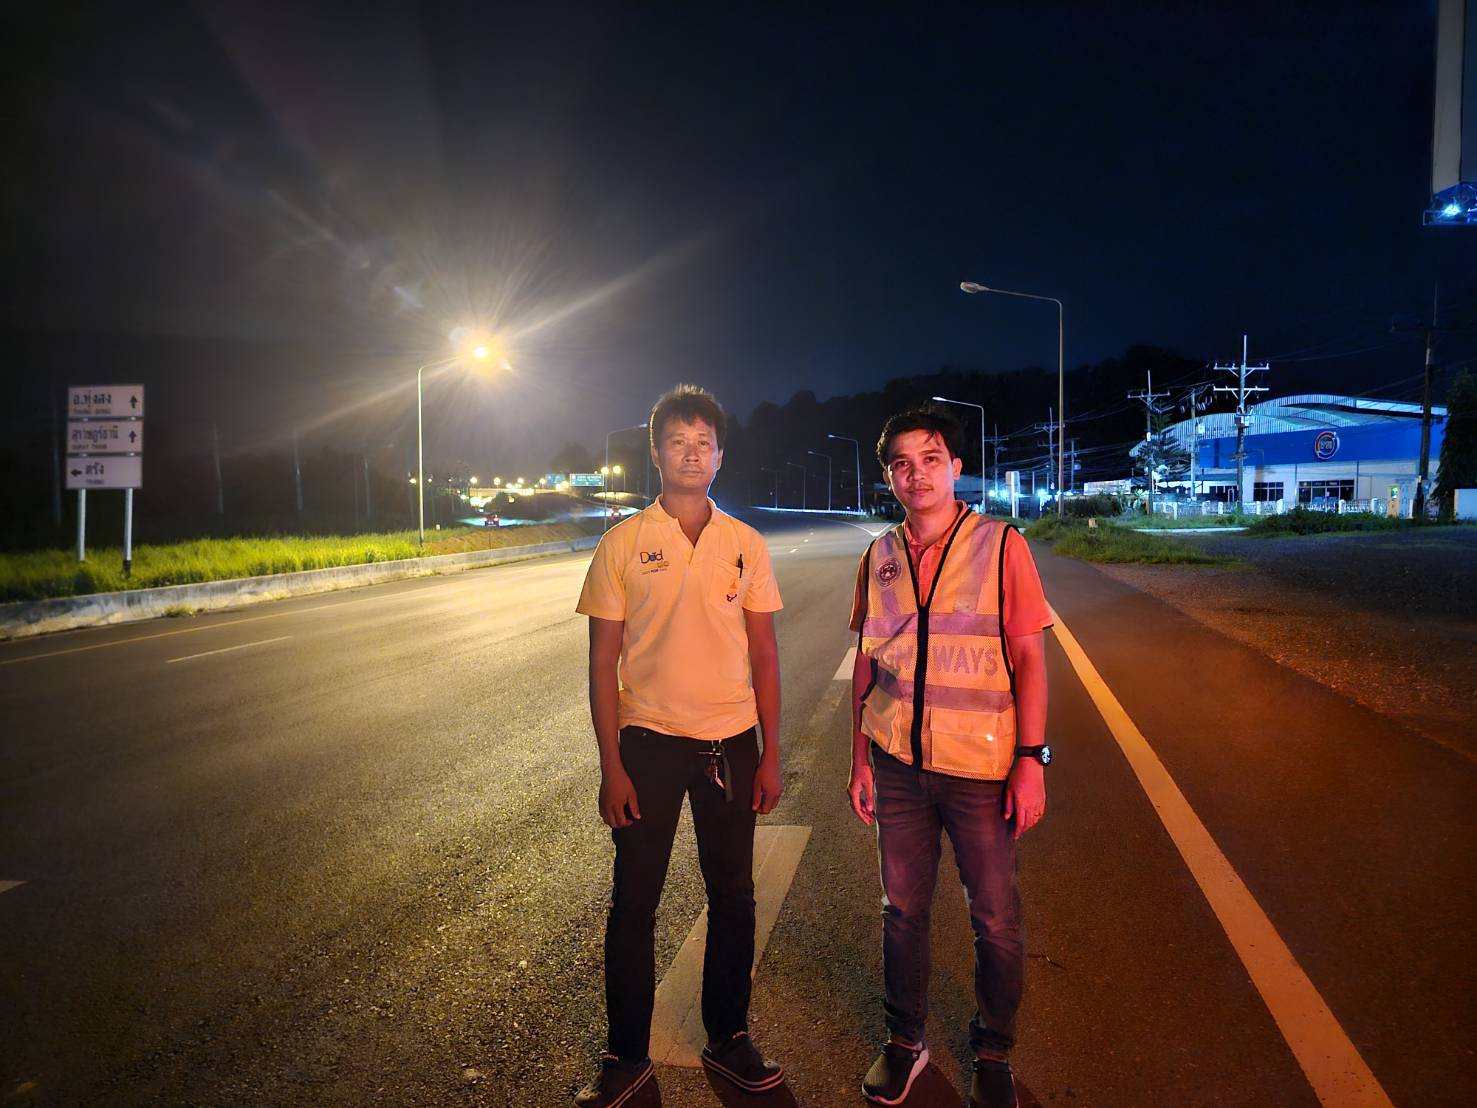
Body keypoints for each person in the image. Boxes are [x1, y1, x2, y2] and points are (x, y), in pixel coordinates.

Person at [574, 384, 786, 1107]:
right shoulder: (623, 544)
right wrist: (611, 766)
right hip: (648, 747)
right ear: (656, 454)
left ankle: (729, 1037)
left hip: (731, 744)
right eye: (677, 442)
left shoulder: (744, 545)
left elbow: (765, 655)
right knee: (634, 901)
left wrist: (771, 752)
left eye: (703, 443)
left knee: (734, 895)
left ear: (720, 456)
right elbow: (602, 662)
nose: (691, 454)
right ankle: (626, 1056)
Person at [846, 407, 1053, 1108]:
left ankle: (993, 1051)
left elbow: (1029, 658)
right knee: (901, 910)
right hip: (897, 764)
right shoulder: (878, 556)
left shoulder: (1001, 546)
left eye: (930, 459)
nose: (917, 474)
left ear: (956, 468)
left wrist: (1031, 759)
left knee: (993, 916)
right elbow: (867, 661)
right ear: (888, 478)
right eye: (901, 464)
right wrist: (859, 759)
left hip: (981, 769)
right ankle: (906, 1042)